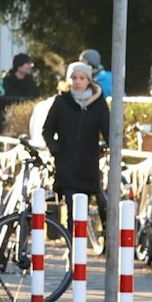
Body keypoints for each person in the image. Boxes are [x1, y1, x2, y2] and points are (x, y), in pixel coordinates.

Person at [43, 61, 110, 227]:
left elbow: (107, 129)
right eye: (73, 78)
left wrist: (109, 146)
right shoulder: (61, 102)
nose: (77, 81)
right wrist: (55, 148)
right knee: (73, 207)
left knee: (83, 207)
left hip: (88, 164)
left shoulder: (98, 104)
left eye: (81, 78)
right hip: (66, 163)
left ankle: (79, 244)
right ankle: (72, 245)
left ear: (89, 80)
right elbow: (47, 130)